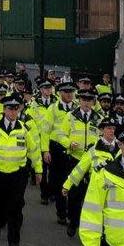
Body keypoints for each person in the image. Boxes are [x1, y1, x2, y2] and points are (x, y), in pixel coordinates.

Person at [0, 95, 43, 246]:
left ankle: (14, 242)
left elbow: (34, 151)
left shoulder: (23, 129)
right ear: (4, 110)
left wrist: (38, 170)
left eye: (16, 109)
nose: (13, 112)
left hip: (17, 174)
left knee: (16, 207)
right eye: (9, 109)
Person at [65, 89, 101, 237]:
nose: (86, 103)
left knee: (90, 194)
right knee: (74, 194)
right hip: (75, 158)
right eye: (84, 100)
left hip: (92, 161)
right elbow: (61, 134)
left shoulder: (99, 119)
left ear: (93, 102)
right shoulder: (71, 116)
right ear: (79, 101)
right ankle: (73, 222)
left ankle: (87, 225)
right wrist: (68, 143)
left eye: (89, 100)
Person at [46, 83, 78, 225]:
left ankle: (72, 212)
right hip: (57, 148)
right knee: (59, 181)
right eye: (66, 92)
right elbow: (45, 131)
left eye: (71, 91)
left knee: (73, 181)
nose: (69, 94)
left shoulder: (78, 108)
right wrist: (45, 150)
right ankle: (61, 212)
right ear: (59, 93)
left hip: (74, 149)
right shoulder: (53, 108)